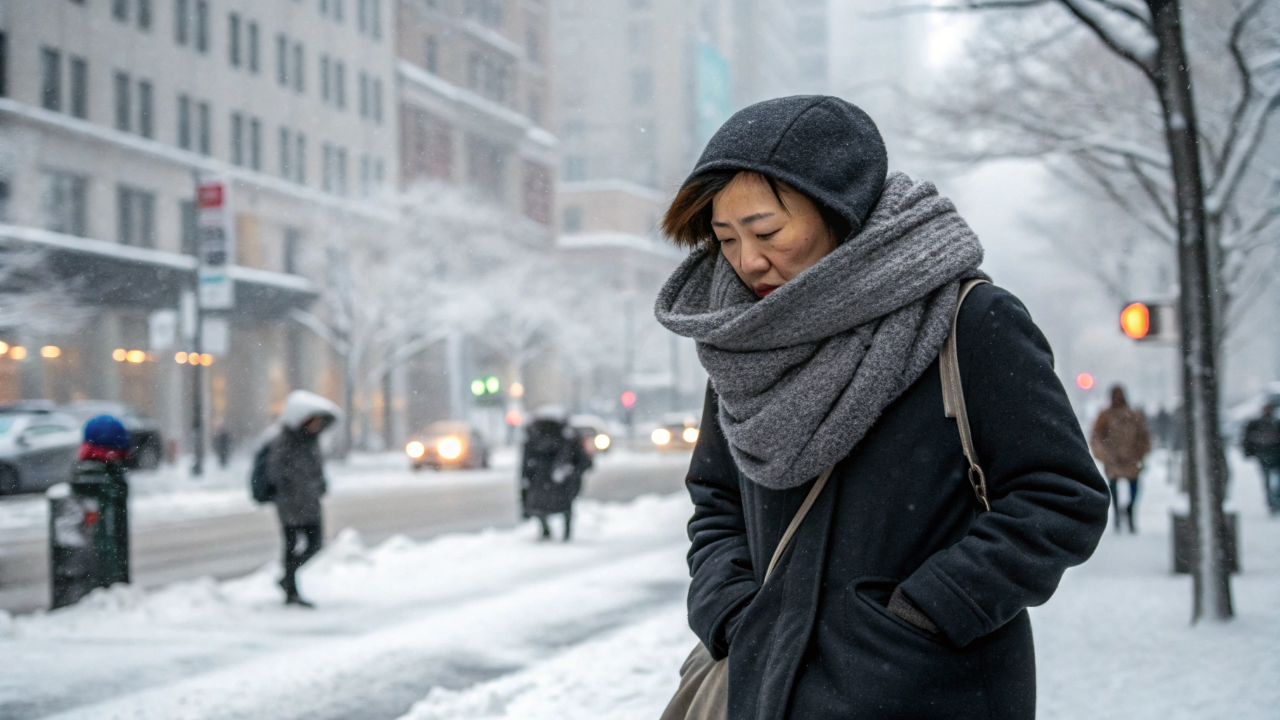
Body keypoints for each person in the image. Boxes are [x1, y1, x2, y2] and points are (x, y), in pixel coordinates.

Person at [653, 96, 1109, 719]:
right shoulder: (747, 340)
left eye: (767, 232)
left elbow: (1061, 496)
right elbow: (716, 500)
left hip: (929, 693)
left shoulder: (970, 322)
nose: (746, 261)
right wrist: (729, 608)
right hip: (768, 686)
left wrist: (927, 612)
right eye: (726, 238)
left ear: (840, 212)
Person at [264, 390, 340, 607]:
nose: (316, 425)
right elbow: (276, 472)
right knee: (290, 546)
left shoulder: (311, 441)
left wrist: (320, 485)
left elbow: (316, 469)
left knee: (315, 544)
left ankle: (286, 579)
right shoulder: (285, 441)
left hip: (310, 503)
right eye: (312, 420)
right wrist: (293, 489)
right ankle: (291, 590)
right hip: (290, 504)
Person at [520, 406, 591, 541]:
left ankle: (545, 529)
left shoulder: (533, 436)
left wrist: (525, 483)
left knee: (540, 508)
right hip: (562, 483)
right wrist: (575, 472)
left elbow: (525, 465)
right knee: (566, 507)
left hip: (539, 483)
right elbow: (582, 460)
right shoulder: (568, 436)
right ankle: (566, 532)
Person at [1090, 385, 1152, 533]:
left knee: (1134, 489)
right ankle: (1118, 514)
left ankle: (1129, 511)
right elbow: (1096, 436)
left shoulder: (1133, 414)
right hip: (1113, 460)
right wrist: (1104, 454)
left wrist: (1140, 453)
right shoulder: (1105, 416)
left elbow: (1144, 436)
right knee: (1114, 488)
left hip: (1131, 459)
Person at [1242, 402, 1280, 515]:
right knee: (1270, 480)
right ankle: (1273, 501)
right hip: (1268, 455)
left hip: (1270, 455)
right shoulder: (1271, 422)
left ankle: (1272, 501)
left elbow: (1248, 439)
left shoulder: (1261, 423)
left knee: (1268, 480)